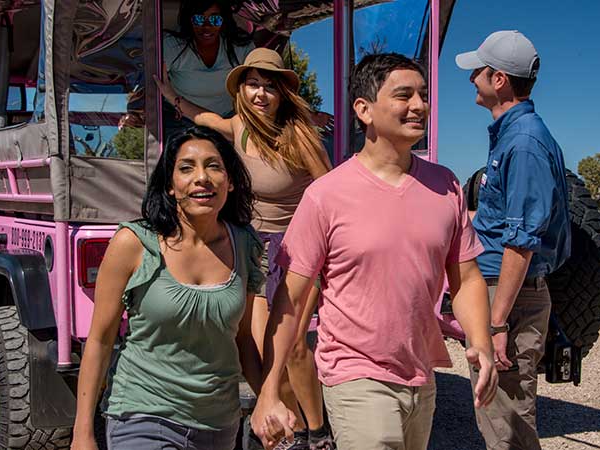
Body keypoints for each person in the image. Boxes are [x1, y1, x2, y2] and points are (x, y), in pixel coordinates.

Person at [251, 52, 499, 450]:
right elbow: (291, 300)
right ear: (364, 110)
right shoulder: (326, 195)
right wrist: (269, 388)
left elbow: (467, 277)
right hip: (353, 375)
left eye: (423, 94)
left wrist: (481, 343)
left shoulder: (445, 186)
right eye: (404, 95)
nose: (419, 105)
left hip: (422, 377)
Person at [159, 47, 334, 449]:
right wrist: (169, 95)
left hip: (296, 253)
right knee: (259, 352)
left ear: (281, 94)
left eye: (269, 87)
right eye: (253, 84)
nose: (260, 94)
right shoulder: (238, 126)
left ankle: (320, 434)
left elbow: (331, 191)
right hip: (253, 250)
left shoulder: (298, 134)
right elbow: (201, 117)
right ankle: (289, 428)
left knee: (291, 351)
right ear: (241, 90)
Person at [71, 126, 264, 450]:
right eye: (186, 168)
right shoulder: (134, 243)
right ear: (171, 186)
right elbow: (100, 339)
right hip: (143, 413)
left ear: (229, 182)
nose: (201, 177)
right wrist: (82, 431)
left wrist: (268, 399)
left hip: (219, 424)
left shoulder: (243, 244)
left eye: (214, 166)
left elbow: (243, 340)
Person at [455, 30, 571, 450]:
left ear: (499, 79)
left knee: (507, 421)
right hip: (503, 293)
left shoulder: (522, 143)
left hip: (509, 298)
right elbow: (498, 220)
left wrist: (498, 323)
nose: (472, 80)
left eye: (478, 73)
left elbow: (521, 242)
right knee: (496, 410)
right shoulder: (514, 136)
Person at [161, 0, 254, 136]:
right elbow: (155, 83)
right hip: (180, 118)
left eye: (215, 19)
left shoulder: (241, 47)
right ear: (189, 20)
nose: (206, 26)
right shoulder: (172, 46)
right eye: (198, 19)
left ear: (224, 20)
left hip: (228, 119)